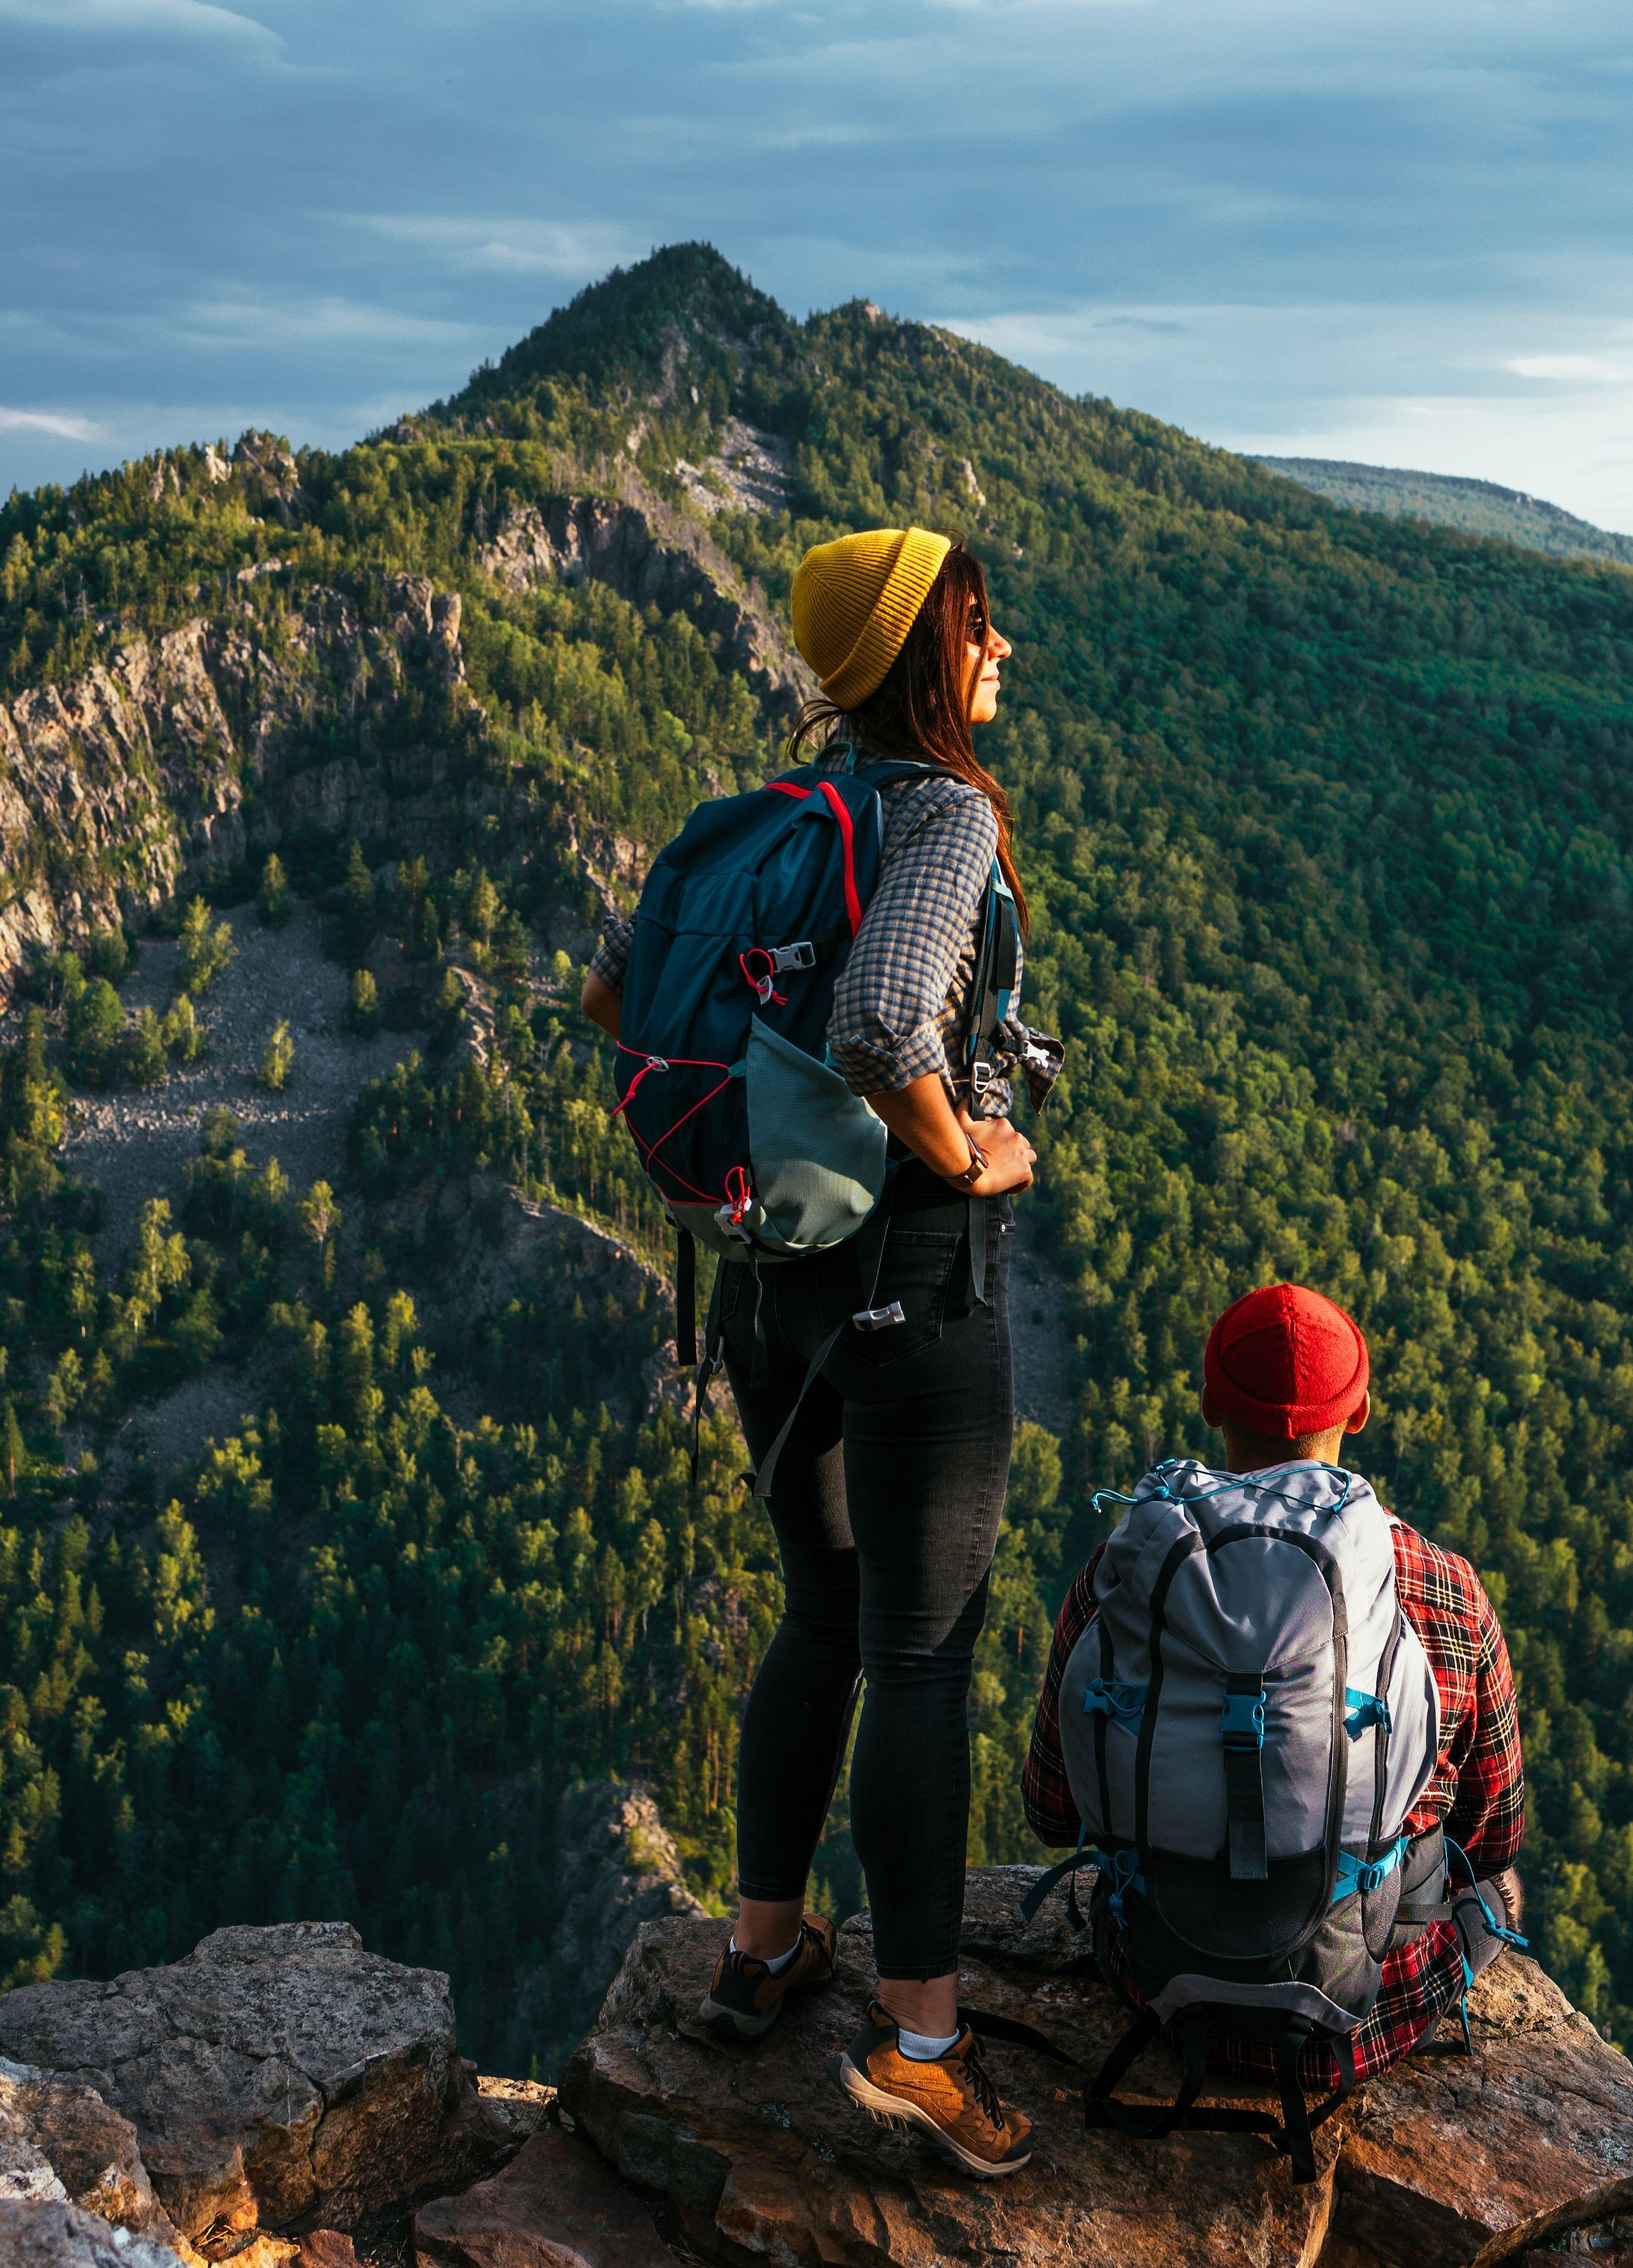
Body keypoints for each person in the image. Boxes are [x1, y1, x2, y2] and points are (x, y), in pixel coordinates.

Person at [579, 526, 1039, 2176]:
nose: (1005, 657)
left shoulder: (776, 818)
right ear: (928, 649)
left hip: (769, 1280)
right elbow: (877, 1020)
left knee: (823, 1615)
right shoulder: (938, 812)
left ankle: (761, 1950)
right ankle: (923, 2048)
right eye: (983, 630)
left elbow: (613, 989)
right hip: (911, 1280)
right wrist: (966, 1150)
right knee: (921, 1651)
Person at [1021, 1283, 1527, 2101]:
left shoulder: (1128, 1574)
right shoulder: (1442, 1587)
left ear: (1212, 1402)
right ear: (1356, 1413)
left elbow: (1050, 1810)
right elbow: (1495, 1833)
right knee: (1499, 1885)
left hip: (1158, 1984)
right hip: (1369, 2013)